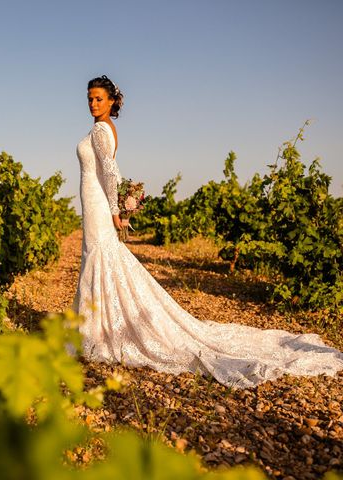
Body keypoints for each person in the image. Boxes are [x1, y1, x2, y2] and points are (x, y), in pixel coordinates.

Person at [71, 74, 343, 389]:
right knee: (100, 256)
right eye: (89, 98)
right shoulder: (100, 129)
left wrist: (116, 211)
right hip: (92, 200)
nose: (92, 103)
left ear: (111, 101)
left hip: (98, 203)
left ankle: (99, 332)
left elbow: (109, 172)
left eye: (98, 98)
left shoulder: (102, 130)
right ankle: (97, 327)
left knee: (101, 256)